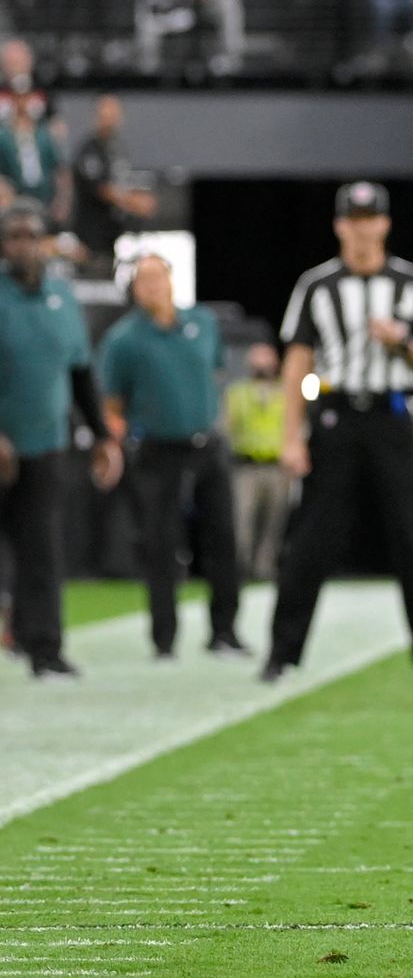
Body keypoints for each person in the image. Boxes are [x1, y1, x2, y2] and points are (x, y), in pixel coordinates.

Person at [265, 181, 413, 685]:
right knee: (311, 539)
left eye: (370, 219)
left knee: (412, 539)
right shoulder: (317, 285)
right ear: (339, 226)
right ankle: (281, 653)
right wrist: (291, 437)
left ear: (385, 224)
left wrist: (404, 344)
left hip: (392, 418)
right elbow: (296, 363)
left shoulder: (409, 281)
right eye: (353, 219)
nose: (362, 228)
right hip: (334, 418)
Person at [97, 254, 243, 659]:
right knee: (161, 546)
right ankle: (164, 639)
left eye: (157, 277)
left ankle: (225, 632)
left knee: (223, 539)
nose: (152, 286)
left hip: (207, 444)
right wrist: (119, 441)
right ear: (135, 288)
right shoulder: (124, 339)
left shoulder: (203, 324)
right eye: (143, 280)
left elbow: (214, 376)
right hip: (158, 451)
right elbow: (112, 404)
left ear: (171, 280)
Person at [0, 200, 121, 679]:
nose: (22, 245)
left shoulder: (62, 298)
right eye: (13, 237)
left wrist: (101, 436)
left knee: (43, 550)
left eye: (31, 235)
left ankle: (43, 648)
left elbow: (80, 373)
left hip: (47, 443)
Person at [69, 95, 157, 274]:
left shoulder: (117, 149)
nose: (109, 119)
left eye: (113, 114)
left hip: (114, 234)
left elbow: (121, 181)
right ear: (95, 116)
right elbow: (100, 188)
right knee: (95, 280)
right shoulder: (89, 149)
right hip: (92, 238)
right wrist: (132, 201)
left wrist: (137, 196)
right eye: (104, 114)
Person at [223, 341, 289, 580]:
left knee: (274, 522)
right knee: (242, 519)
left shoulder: (286, 392)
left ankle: (265, 568)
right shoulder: (238, 392)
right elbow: (225, 425)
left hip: (277, 466)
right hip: (246, 465)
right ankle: (239, 568)